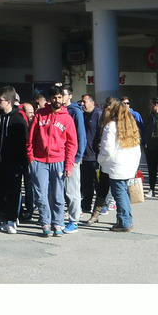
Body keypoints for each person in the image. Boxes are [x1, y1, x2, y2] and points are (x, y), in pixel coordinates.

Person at [26, 85, 77, 237]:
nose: (57, 100)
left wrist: (68, 165)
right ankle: (45, 223)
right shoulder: (40, 115)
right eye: (54, 97)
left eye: (60, 97)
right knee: (41, 195)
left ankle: (58, 223)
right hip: (39, 161)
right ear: (50, 99)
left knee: (58, 196)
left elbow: (72, 143)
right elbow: (30, 139)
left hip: (59, 161)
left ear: (63, 98)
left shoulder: (67, 118)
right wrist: (31, 159)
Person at [96, 99, 141, 232]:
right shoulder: (131, 126)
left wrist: (100, 159)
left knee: (119, 193)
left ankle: (125, 222)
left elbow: (107, 149)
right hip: (129, 165)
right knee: (123, 193)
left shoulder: (111, 126)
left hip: (116, 166)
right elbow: (137, 147)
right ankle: (125, 219)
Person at [0, 87, 27, 233]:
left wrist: (21, 163)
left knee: (12, 192)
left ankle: (11, 220)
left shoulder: (18, 119)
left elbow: (22, 143)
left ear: (9, 102)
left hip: (13, 164)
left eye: (1, 100)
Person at [60, 86, 87, 233]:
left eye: (63, 95)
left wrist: (77, 157)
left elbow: (81, 136)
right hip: (59, 156)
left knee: (72, 190)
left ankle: (74, 221)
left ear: (70, 96)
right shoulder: (59, 111)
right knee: (61, 190)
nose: (61, 98)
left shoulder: (75, 112)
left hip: (72, 157)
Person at [142, 98, 158, 197]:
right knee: (151, 170)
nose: (149, 106)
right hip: (150, 146)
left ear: (156, 105)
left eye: (151, 104)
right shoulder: (151, 116)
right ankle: (151, 189)